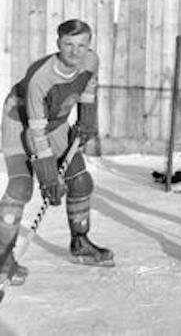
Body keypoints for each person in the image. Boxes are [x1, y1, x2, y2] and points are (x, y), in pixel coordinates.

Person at [0, 19, 114, 285]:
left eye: (82, 45)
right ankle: (2, 259)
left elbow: (87, 93)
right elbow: (35, 131)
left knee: (81, 180)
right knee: (21, 188)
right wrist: (48, 174)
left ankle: (81, 243)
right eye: (68, 45)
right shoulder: (39, 76)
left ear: (89, 45)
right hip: (20, 123)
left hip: (56, 123)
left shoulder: (91, 61)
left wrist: (87, 119)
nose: (75, 52)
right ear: (57, 44)